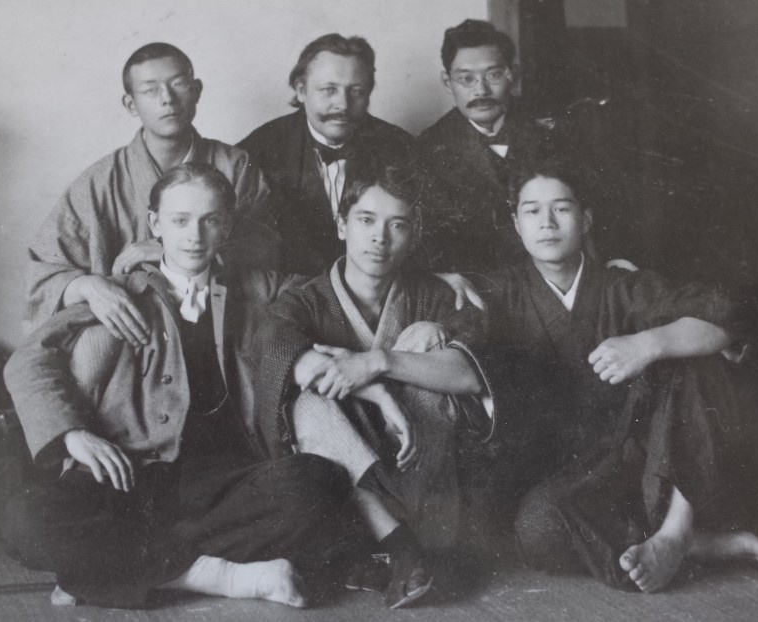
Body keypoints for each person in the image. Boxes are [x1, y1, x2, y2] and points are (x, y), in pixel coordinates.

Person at [2, 164, 350, 609]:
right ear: (155, 224)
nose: (194, 236)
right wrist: (72, 435)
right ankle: (217, 575)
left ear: (228, 227)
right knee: (23, 520)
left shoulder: (258, 289)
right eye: (180, 220)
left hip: (223, 481)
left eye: (210, 220)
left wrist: (432, 286)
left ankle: (104, 572)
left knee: (318, 484)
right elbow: (28, 358)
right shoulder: (122, 293)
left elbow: (334, 294)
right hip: (130, 474)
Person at [472, 160, 758, 593]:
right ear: (516, 223)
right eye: (532, 210)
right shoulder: (498, 292)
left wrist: (650, 342)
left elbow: (722, 319)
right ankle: (692, 544)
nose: (547, 223)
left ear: (586, 219)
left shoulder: (623, 286)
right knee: (537, 527)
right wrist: (432, 323)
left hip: (650, 449)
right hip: (575, 471)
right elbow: (459, 336)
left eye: (562, 208)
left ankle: (677, 529)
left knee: (690, 353)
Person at [251, 164, 489, 608]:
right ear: (342, 225)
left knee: (428, 343)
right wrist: (376, 393)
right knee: (305, 399)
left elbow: (470, 373)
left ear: (413, 235)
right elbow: (277, 349)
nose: (380, 238)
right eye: (365, 220)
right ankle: (399, 547)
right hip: (348, 490)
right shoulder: (306, 300)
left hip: (423, 481)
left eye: (397, 225)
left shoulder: (435, 295)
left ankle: (402, 546)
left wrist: (379, 362)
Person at [27, 42, 276, 343]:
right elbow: (43, 275)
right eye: (150, 90)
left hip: (225, 330)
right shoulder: (99, 182)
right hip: (131, 339)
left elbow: (267, 251)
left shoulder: (236, 166)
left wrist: (171, 252)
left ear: (197, 91)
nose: (167, 99)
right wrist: (87, 287)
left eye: (178, 84)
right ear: (131, 104)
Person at [237, 34, 417, 276]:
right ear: (301, 90)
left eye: (356, 91)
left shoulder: (401, 148)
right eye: (329, 90)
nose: (342, 105)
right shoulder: (257, 150)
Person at [417, 19, 553, 272]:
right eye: (466, 78)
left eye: (493, 75)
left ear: (513, 74)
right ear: (447, 82)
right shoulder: (429, 149)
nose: (481, 90)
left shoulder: (551, 132)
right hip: (478, 281)